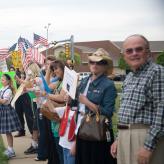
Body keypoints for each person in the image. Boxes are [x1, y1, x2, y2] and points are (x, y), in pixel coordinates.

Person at [111, 34, 164, 164]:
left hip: (145, 138)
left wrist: (148, 147)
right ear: (124, 55)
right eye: (129, 51)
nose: (134, 53)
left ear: (148, 52)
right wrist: (118, 138)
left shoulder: (157, 72)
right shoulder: (129, 77)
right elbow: (125, 112)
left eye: (139, 49)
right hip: (125, 136)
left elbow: (161, 113)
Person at [74, 48, 117, 164]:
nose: (95, 65)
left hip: (98, 132)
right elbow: (77, 104)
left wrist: (87, 102)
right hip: (82, 128)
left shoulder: (108, 85)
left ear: (105, 66)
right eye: (92, 62)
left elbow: (108, 112)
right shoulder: (84, 81)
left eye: (100, 62)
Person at [0, 74, 22, 158]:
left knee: (8, 132)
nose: (2, 81)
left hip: (7, 111)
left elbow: (4, 101)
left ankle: (11, 150)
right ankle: (9, 149)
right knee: (6, 132)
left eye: (3, 80)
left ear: (8, 81)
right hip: (2, 111)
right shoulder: (2, 89)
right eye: (1, 80)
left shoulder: (8, 90)